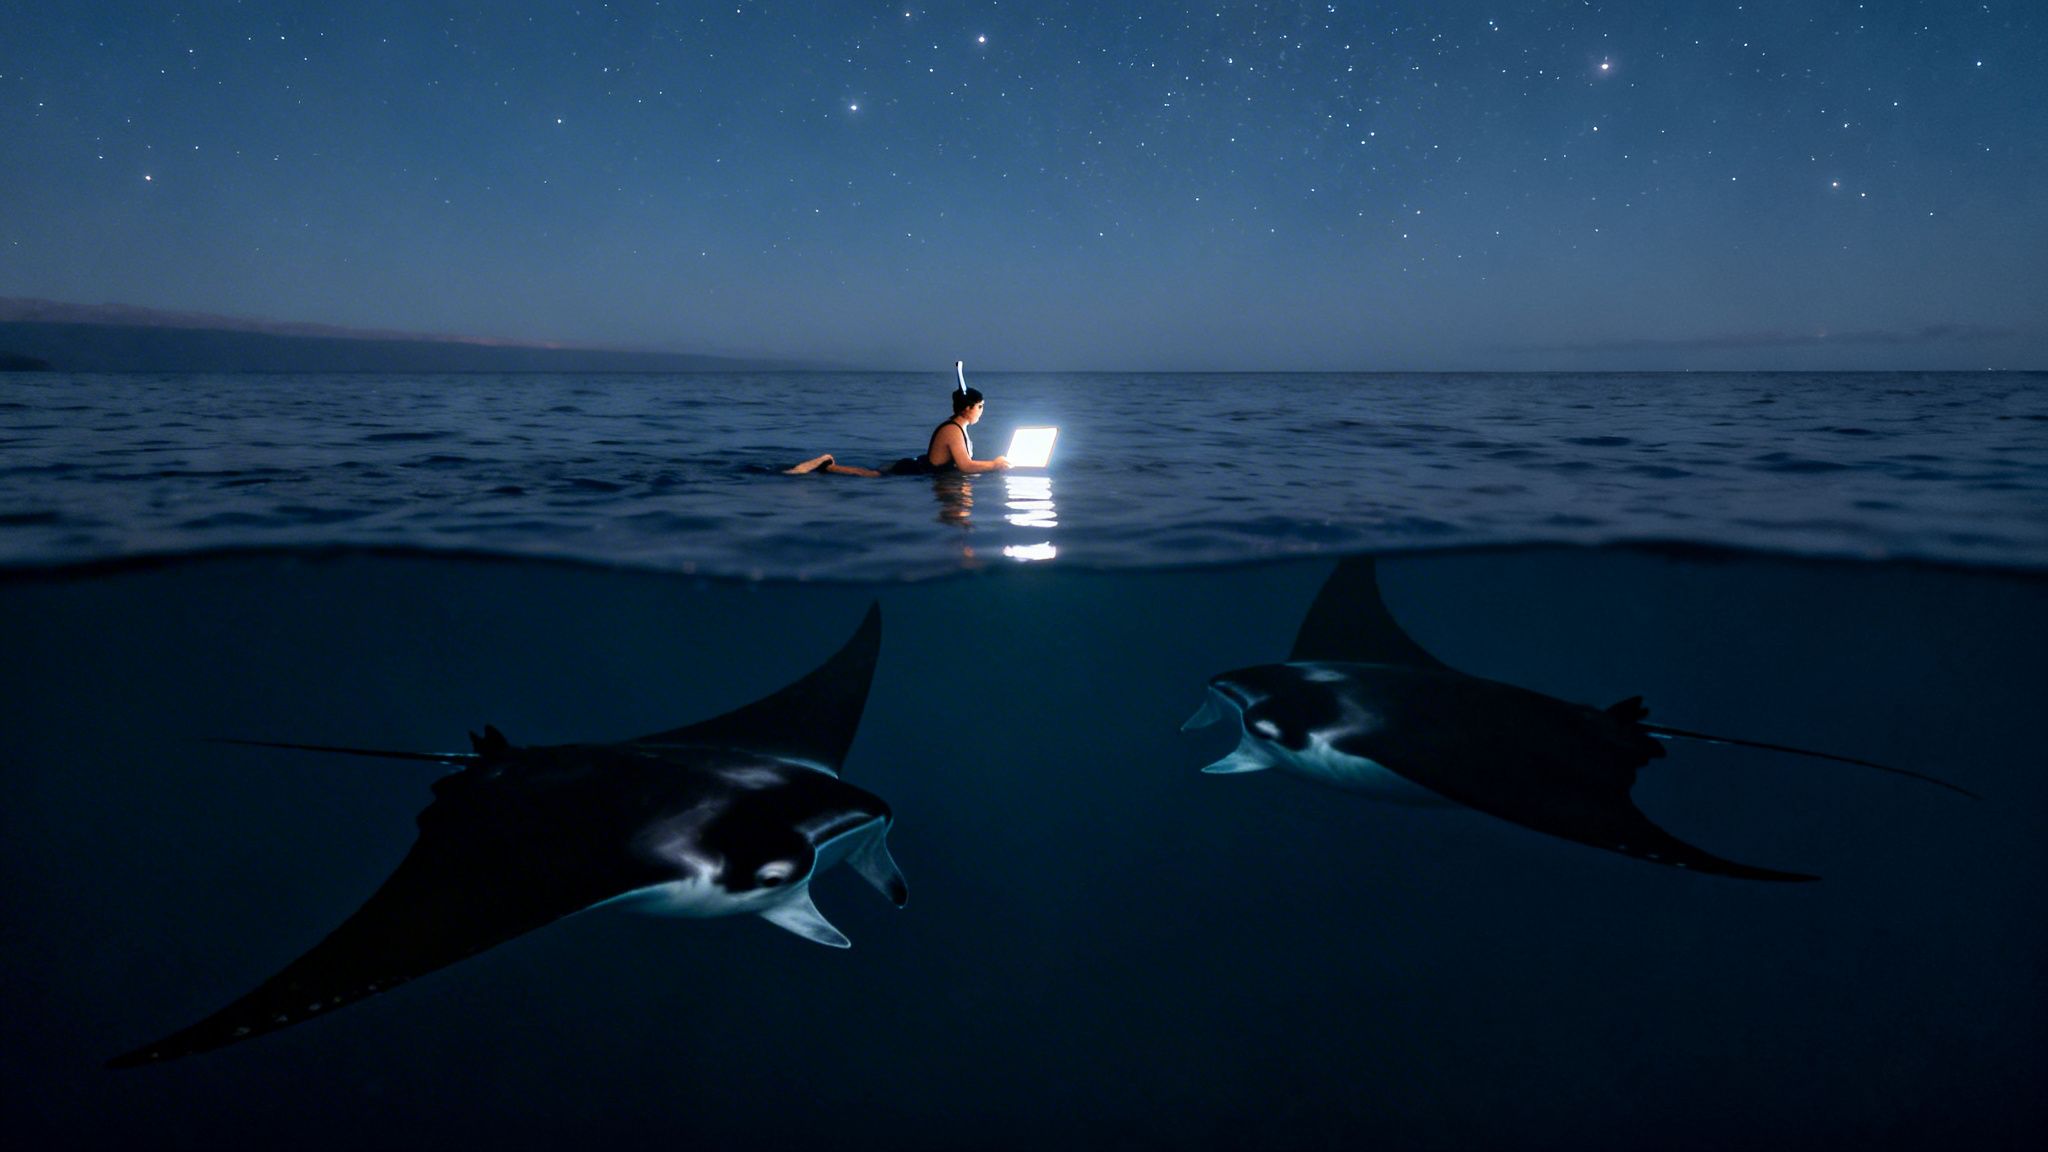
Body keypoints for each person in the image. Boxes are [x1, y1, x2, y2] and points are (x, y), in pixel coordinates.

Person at [786, 384, 1012, 476]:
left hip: (920, 466)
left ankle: (829, 465)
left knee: (874, 474)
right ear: (967, 408)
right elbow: (965, 465)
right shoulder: (952, 430)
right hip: (913, 470)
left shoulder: (960, 427)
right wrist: (994, 464)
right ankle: (827, 464)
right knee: (873, 476)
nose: (982, 411)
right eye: (980, 407)